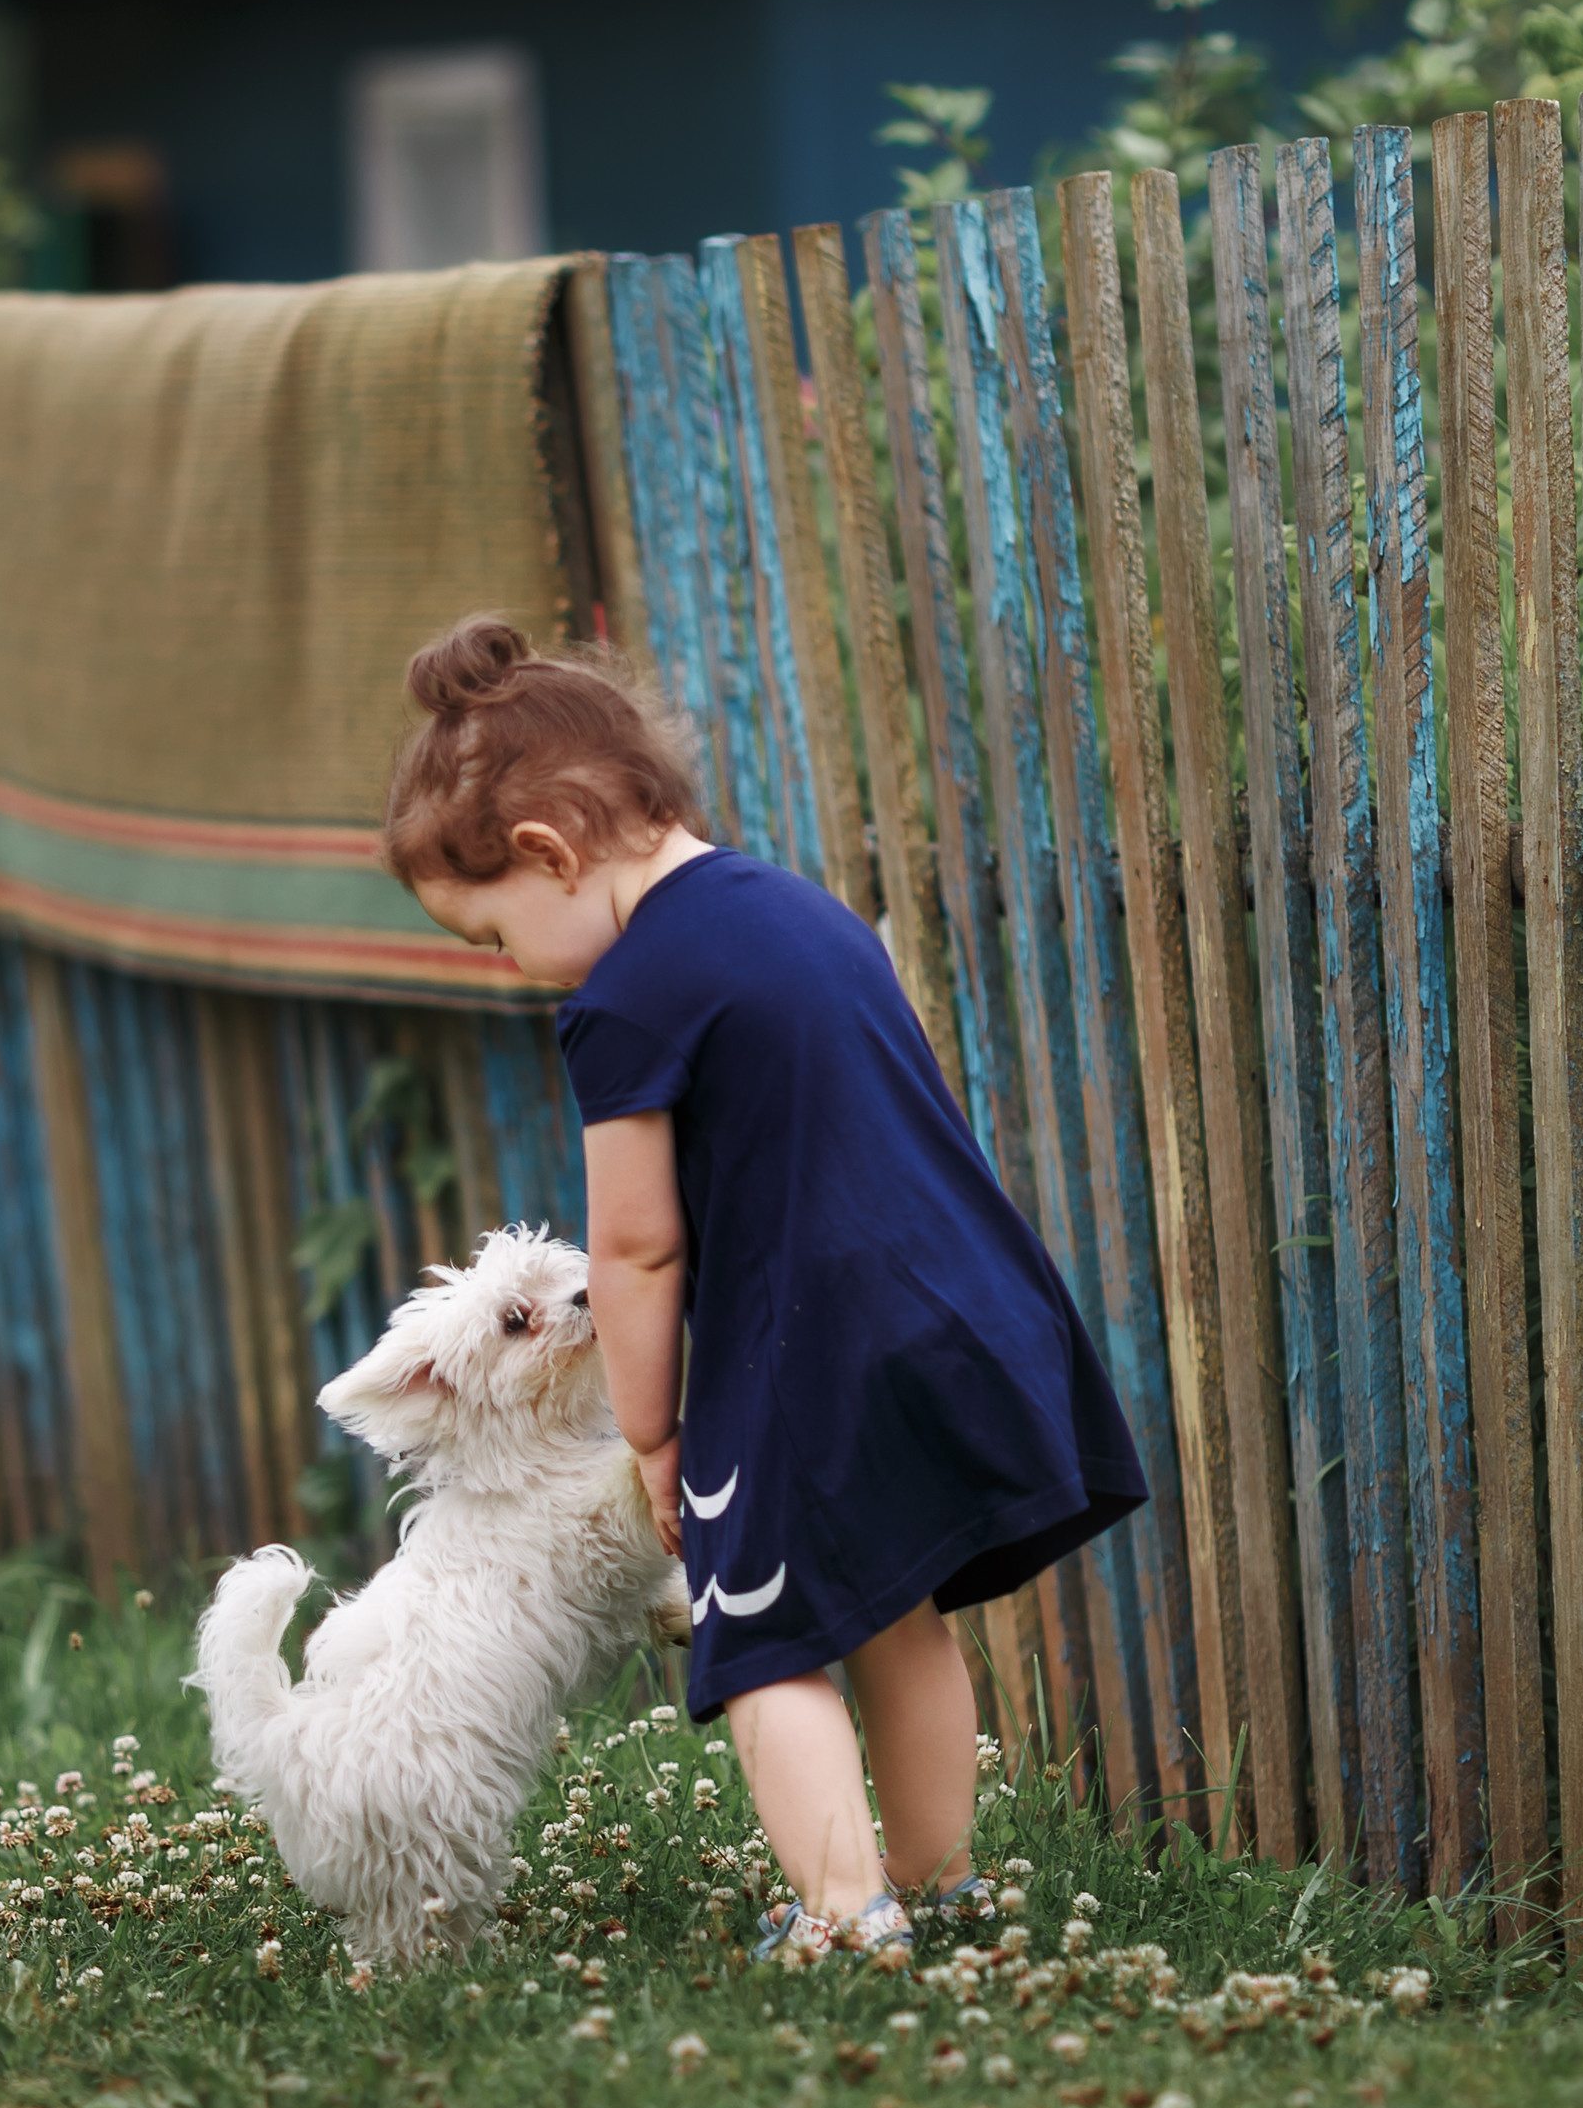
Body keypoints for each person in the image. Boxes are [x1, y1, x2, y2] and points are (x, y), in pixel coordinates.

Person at [380, 616, 1148, 1958]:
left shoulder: (625, 1001)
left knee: (765, 1644)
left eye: (496, 934)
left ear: (551, 855)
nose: (514, 966)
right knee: (897, 1616)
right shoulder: (802, 912)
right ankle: (942, 1886)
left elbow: (635, 1249)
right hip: (960, 1298)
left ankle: (845, 1918)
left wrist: (652, 1433)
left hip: (812, 1348)